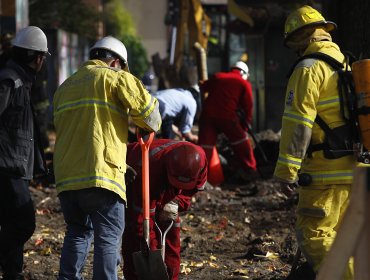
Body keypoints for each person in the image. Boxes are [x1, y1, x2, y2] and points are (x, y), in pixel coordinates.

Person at [53, 36, 161, 280]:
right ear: (115, 62)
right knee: (109, 237)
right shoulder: (116, 77)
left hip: (67, 178)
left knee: (78, 232)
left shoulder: (65, 87)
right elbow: (150, 117)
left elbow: (86, 130)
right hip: (101, 176)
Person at [273, 5, 357, 280]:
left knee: (316, 236)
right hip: (353, 169)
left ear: (302, 37)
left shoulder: (309, 69)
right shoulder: (345, 63)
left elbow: (297, 124)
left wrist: (286, 172)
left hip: (323, 174)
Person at [0, 26, 49, 280]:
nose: (42, 62)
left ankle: (13, 272)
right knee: (23, 223)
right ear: (36, 57)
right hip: (6, 167)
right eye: (41, 56)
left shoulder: (22, 81)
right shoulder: (10, 79)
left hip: (17, 167)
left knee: (11, 222)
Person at [121, 139, 207, 280]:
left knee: (172, 226)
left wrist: (177, 201)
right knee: (135, 235)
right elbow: (140, 222)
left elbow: (193, 189)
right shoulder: (146, 170)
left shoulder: (200, 161)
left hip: (161, 178)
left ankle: (171, 275)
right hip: (136, 175)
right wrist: (153, 255)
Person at [198, 61, 257, 182]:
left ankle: (199, 176)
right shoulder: (244, 83)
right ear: (244, 73)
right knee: (241, 142)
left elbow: (203, 87)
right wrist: (244, 127)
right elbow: (248, 107)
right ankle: (250, 169)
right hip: (227, 117)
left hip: (207, 116)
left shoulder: (218, 76)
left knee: (205, 147)